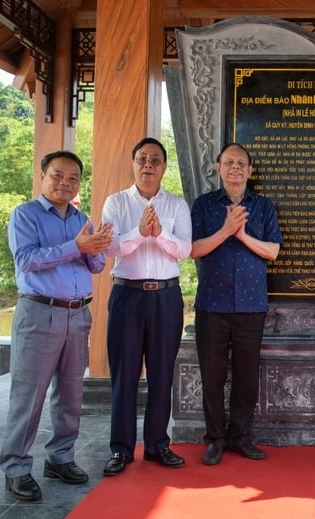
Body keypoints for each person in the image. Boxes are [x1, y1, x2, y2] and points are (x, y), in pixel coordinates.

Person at [1, 150, 113, 501]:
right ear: (43, 176)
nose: (65, 183)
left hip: (77, 314)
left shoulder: (81, 218)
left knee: (70, 393)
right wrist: (74, 246)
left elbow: (95, 267)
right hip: (40, 313)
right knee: (29, 394)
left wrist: (97, 247)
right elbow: (27, 260)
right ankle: (17, 467)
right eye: (58, 176)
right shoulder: (26, 215)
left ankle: (60, 457)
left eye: (73, 178)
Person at [101, 137, 192, 476]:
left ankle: (157, 445)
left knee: (161, 374)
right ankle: (121, 450)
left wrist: (159, 235)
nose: (148, 164)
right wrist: (139, 234)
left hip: (166, 297)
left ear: (165, 166)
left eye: (155, 159)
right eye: (142, 159)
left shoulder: (177, 205)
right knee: (124, 375)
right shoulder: (117, 202)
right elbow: (109, 248)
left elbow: (184, 250)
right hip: (127, 295)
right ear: (133, 164)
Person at [190, 142, 282, 466]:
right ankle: (215, 439)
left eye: (241, 163)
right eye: (229, 162)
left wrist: (242, 236)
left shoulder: (263, 207)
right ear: (218, 168)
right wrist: (226, 230)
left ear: (250, 170)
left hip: (251, 306)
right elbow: (193, 249)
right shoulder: (203, 206)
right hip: (212, 306)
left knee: (246, 376)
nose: (235, 168)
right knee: (212, 376)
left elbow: (272, 251)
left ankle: (241, 437)